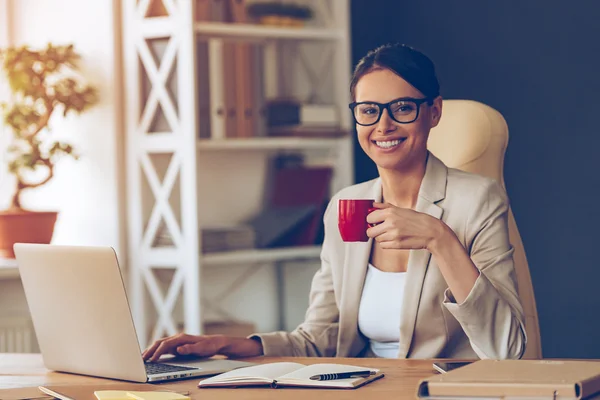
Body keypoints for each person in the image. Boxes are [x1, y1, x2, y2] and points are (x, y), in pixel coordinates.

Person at [143, 43, 526, 361]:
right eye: (368, 110)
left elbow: (508, 349)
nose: (383, 125)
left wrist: (439, 239)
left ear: (434, 112)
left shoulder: (478, 200)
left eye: (403, 108)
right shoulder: (348, 204)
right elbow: (319, 338)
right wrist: (231, 345)